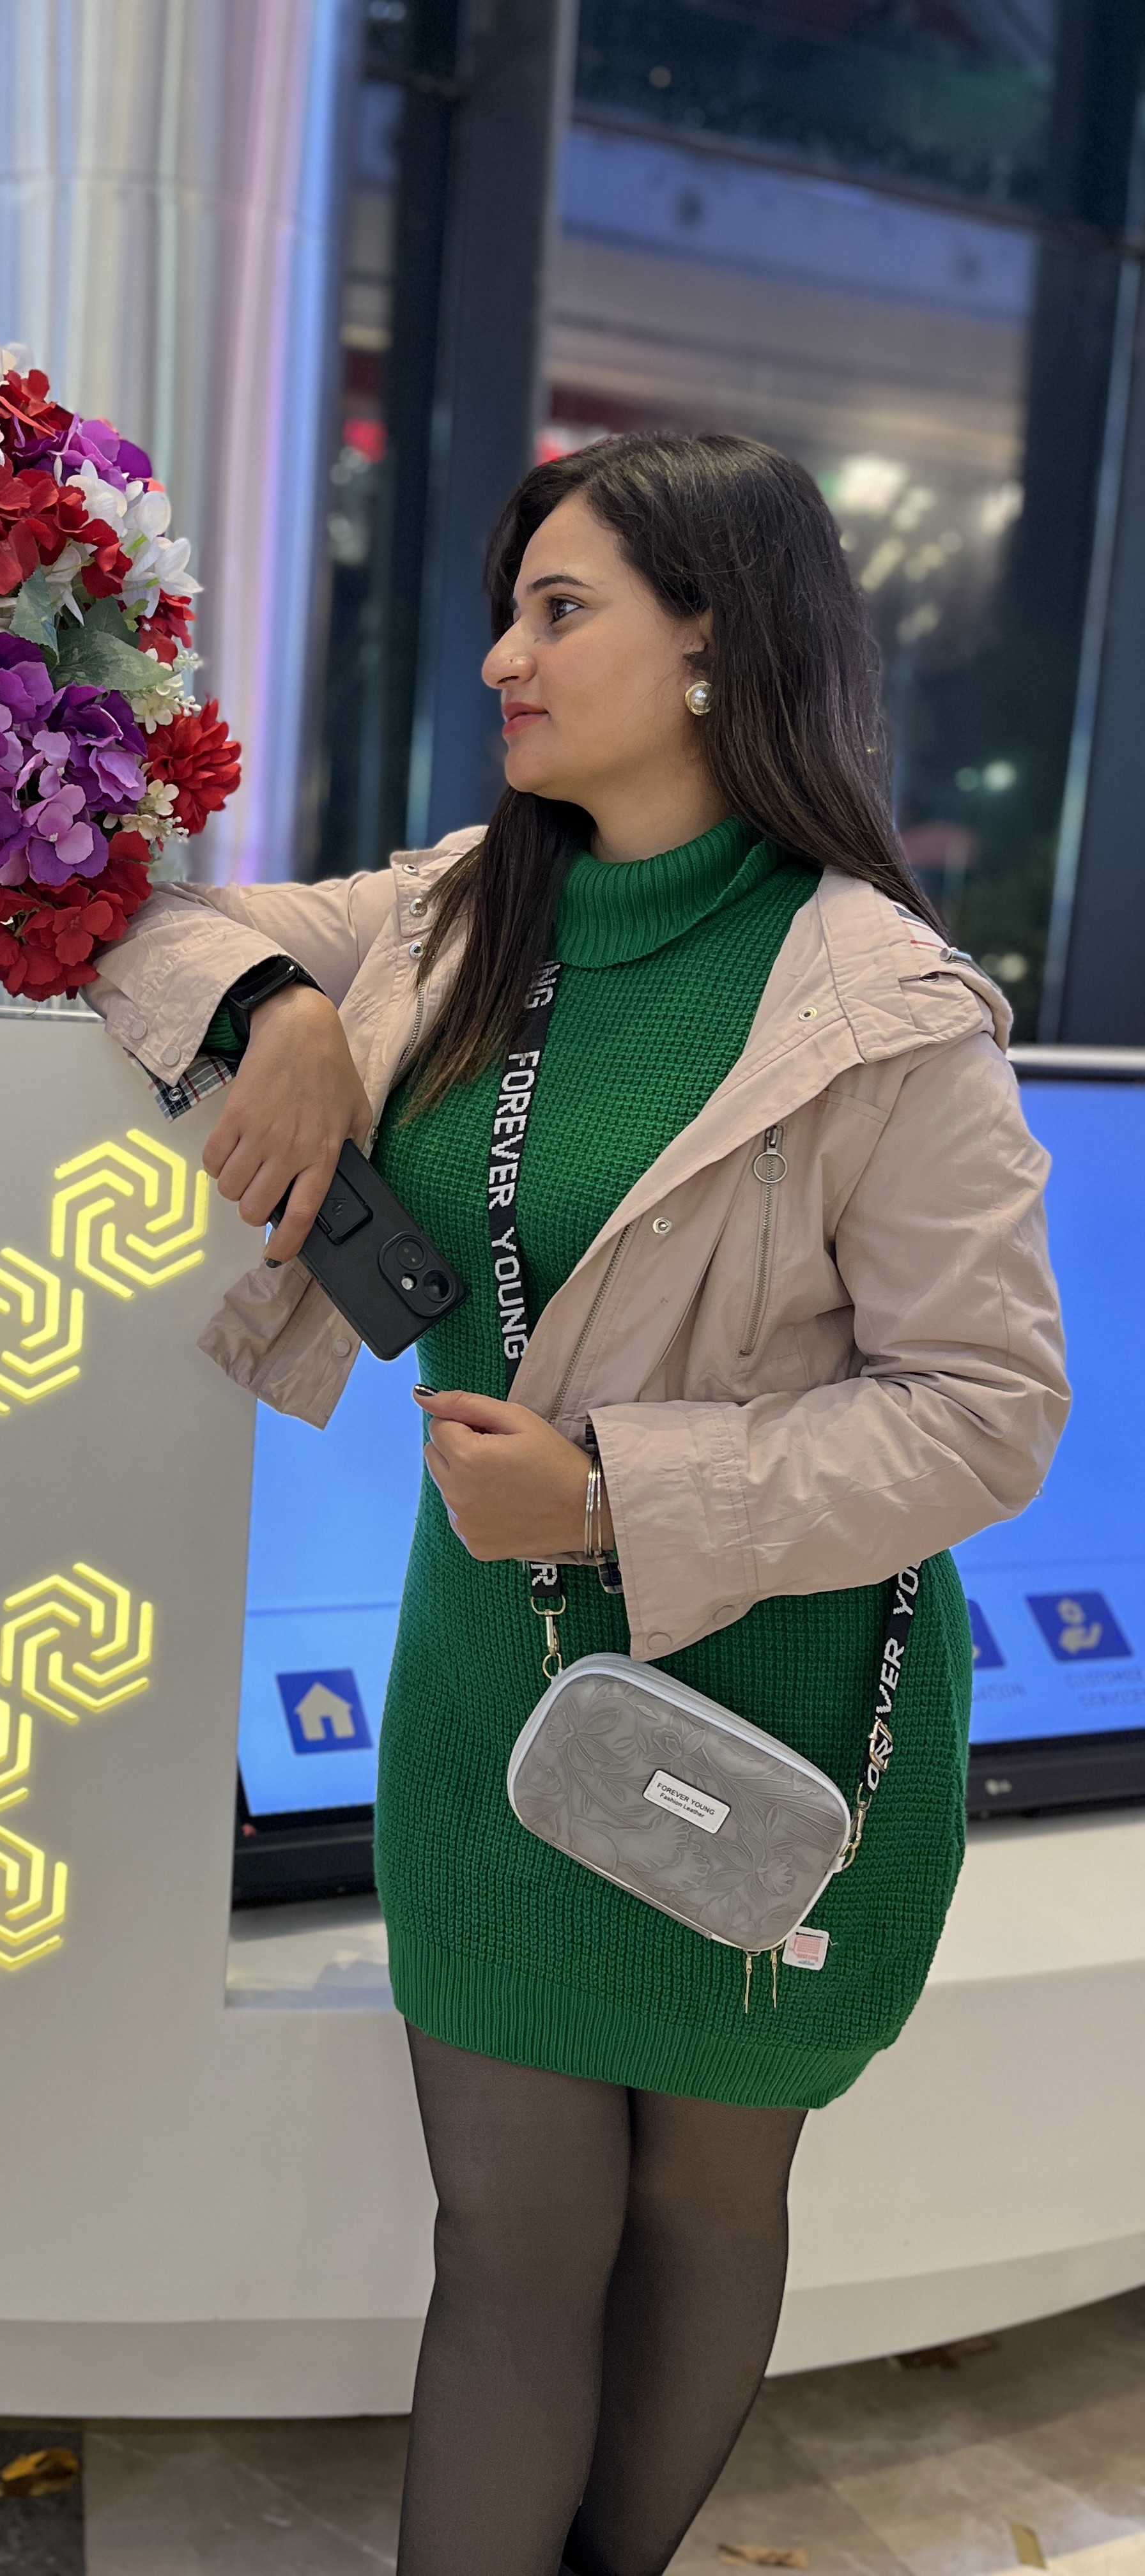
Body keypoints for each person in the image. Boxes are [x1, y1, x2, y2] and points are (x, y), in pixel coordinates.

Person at [85, 433, 1068, 2576]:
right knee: (511, 2237)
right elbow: (131, 923)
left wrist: (619, 1493)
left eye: (561, 611)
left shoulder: (884, 1008)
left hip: (783, 1702)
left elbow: (990, 1416)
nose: (502, 662)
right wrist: (283, 1014)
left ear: (714, 644)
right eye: (509, 611)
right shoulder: (449, 917)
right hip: (488, 1687)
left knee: (708, 2214)